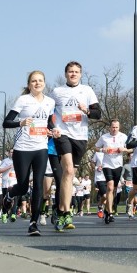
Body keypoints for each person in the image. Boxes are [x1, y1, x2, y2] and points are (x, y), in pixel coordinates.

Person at [2, 70, 56, 236]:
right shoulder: (23, 100)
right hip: (22, 148)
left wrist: (53, 131)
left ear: (44, 83)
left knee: (39, 185)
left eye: (40, 80)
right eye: (34, 81)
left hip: (41, 148)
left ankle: (33, 223)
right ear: (29, 84)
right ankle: (10, 194)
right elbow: (6, 122)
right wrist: (21, 122)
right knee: (23, 186)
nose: (37, 83)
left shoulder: (50, 102)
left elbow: (49, 123)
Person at [51, 61, 101, 231]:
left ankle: (59, 210)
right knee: (69, 171)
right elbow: (48, 113)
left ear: (81, 74)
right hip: (62, 134)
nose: (73, 74)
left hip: (80, 137)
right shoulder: (57, 92)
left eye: (76, 72)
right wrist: (53, 129)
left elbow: (97, 113)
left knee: (69, 175)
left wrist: (86, 110)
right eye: (70, 71)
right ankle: (66, 213)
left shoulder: (87, 91)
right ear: (65, 74)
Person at [94, 120, 128, 224]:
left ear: (119, 127)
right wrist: (102, 150)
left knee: (113, 190)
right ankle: (110, 213)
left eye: (116, 127)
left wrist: (124, 149)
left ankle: (107, 210)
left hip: (118, 165)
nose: (114, 129)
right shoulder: (104, 137)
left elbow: (131, 149)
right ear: (110, 127)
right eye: (113, 127)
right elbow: (95, 147)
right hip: (107, 165)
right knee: (110, 187)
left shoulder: (124, 136)